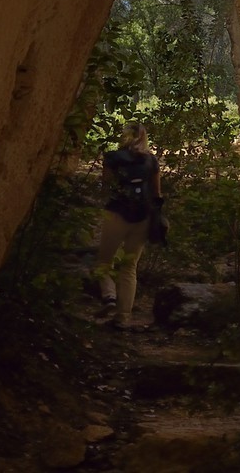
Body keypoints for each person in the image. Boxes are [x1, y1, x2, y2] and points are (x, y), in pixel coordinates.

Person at [95, 122, 161, 329]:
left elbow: (106, 187)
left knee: (103, 263)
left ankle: (109, 297)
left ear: (123, 136)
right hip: (143, 217)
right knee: (130, 267)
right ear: (144, 137)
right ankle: (123, 318)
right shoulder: (151, 160)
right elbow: (157, 193)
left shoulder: (113, 158)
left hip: (116, 214)